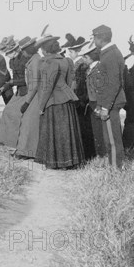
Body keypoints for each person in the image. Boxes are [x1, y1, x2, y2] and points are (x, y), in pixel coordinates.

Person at [34, 35, 85, 169]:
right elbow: (69, 82)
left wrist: (41, 106)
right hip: (67, 100)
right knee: (66, 132)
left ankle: (56, 162)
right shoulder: (66, 61)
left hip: (53, 102)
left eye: (41, 49)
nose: (40, 51)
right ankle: (69, 161)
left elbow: (48, 86)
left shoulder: (49, 63)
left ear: (45, 50)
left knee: (54, 132)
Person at [92, 24, 127, 168]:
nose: (94, 41)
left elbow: (113, 83)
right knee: (109, 137)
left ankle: (116, 169)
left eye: (94, 37)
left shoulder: (111, 54)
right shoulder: (109, 52)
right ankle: (114, 166)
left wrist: (105, 106)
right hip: (108, 102)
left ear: (100, 38)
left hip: (111, 103)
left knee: (112, 139)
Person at [0, 37, 35, 149]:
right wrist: (5, 87)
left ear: (16, 49)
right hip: (19, 91)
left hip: (28, 92)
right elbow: (14, 78)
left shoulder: (25, 59)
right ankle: (5, 141)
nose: (7, 55)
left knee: (15, 114)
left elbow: (28, 80)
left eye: (9, 52)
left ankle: (14, 144)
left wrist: (12, 83)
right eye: (6, 53)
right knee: (7, 111)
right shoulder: (11, 61)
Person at [62, 33, 94, 159]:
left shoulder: (81, 64)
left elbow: (81, 83)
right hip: (76, 97)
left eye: (76, 50)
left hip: (81, 98)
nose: (73, 53)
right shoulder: (74, 63)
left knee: (83, 126)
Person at [16, 37, 42, 158]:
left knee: (29, 123)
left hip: (35, 96)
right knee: (28, 123)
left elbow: (35, 83)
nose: (22, 53)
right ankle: (25, 150)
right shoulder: (34, 59)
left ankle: (27, 152)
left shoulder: (36, 60)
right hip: (33, 95)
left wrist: (27, 102)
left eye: (23, 50)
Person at [81, 42, 107, 161]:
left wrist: (99, 106)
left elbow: (101, 90)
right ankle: (99, 154)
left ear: (89, 57)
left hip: (97, 103)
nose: (83, 59)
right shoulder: (92, 69)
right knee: (96, 130)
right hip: (92, 103)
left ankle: (102, 155)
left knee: (100, 131)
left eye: (84, 57)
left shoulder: (98, 69)